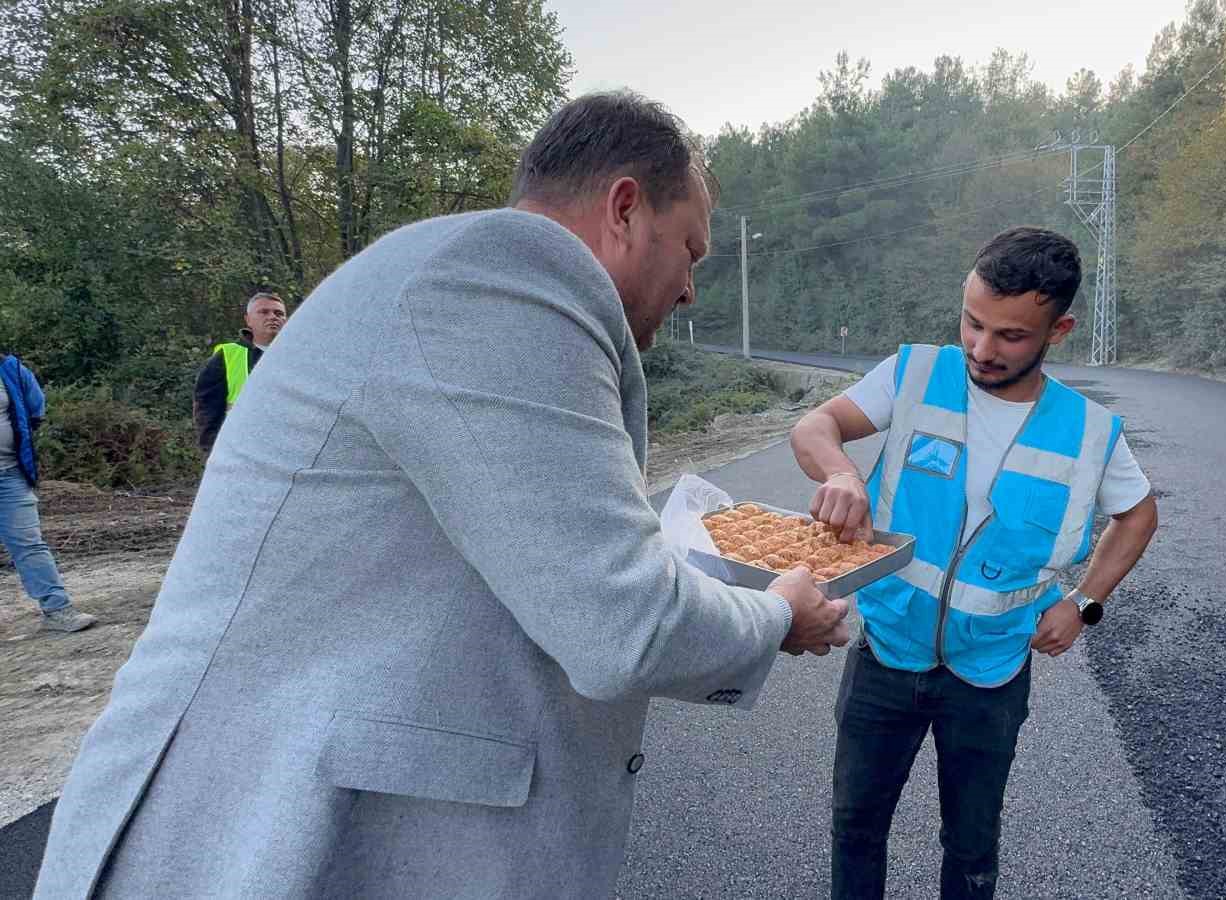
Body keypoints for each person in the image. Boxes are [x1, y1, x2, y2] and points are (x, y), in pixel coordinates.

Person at [34, 91, 849, 899]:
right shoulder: (507, 280)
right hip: (257, 840)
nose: (691, 288)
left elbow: (538, 561)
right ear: (626, 209)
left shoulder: (454, 275)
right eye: (692, 251)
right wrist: (777, 615)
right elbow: (621, 622)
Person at [789, 226, 1160, 900]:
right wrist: (842, 474)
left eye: (1010, 336)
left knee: (970, 845)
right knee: (856, 825)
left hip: (991, 675)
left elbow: (1138, 516)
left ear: (1060, 329)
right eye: (972, 323)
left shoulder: (1089, 432)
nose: (981, 349)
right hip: (885, 651)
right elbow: (813, 427)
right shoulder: (916, 373)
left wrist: (1084, 603)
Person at [0, 352, 95, 633]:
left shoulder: (10, 369)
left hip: (11, 475)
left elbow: (35, 407)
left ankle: (58, 610)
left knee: (29, 543)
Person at [192, 291, 288, 452]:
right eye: (264, 312)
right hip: (241, 454)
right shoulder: (227, 356)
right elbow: (207, 411)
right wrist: (214, 455)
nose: (273, 317)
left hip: (287, 453)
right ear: (248, 320)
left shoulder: (299, 357)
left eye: (279, 313)